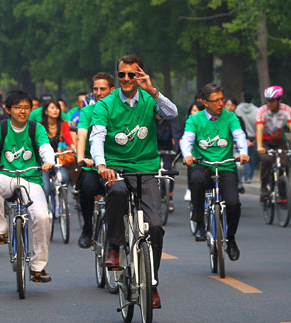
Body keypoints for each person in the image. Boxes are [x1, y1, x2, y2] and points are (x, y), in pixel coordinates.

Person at [90, 54, 177, 308]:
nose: (127, 79)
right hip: (115, 168)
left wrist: (153, 90)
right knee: (116, 192)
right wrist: (101, 164)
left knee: (156, 226)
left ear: (140, 76)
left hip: (146, 168)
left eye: (132, 74)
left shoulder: (150, 99)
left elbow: (172, 114)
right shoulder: (105, 105)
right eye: (122, 74)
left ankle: (152, 285)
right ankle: (114, 247)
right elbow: (97, 136)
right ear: (117, 77)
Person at [0, 90, 55, 283]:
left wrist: (48, 161)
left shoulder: (36, 128)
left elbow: (45, 147)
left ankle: (38, 266)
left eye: (26, 107)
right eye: (18, 107)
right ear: (8, 109)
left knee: (43, 217)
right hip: (5, 176)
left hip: (31, 179)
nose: (23, 111)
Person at [181, 83, 249, 259]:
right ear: (204, 102)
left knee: (233, 203)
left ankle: (231, 238)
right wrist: (188, 155)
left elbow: (239, 135)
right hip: (203, 164)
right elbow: (187, 139)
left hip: (226, 166)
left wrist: (243, 152)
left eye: (222, 99)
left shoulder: (230, 117)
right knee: (195, 181)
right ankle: (199, 224)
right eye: (216, 100)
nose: (220, 103)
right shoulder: (194, 120)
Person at [76, 72, 115, 248]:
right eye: (95, 89)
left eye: (103, 89)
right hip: (93, 166)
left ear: (112, 90)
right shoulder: (87, 111)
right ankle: (88, 228)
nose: (98, 92)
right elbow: (82, 135)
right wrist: (81, 157)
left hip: (117, 166)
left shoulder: (119, 109)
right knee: (86, 187)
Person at [256, 85, 291, 200]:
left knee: (284, 163)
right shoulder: (262, 110)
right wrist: (259, 146)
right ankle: (264, 187)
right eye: (267, 100)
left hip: (279, 141)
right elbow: (259, 129)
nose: (268, 103)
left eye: (271, 101)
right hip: (264, 140)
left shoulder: (287, 110)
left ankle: (283, 194)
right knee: (267, 159)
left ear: (279, 100)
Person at [40, 100, 75, 203]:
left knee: (64, 177)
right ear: (46, 111)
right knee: (45, 188)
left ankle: (61, 203)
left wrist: (73, 147)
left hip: (59, 157)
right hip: (44, 158)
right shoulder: (40, 125)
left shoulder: (63, 124)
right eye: (52, 108)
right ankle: (46, 208)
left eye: (57, 108)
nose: (55, 110)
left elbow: (68, 138)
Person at [156, 113, 182, 212]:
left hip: (168, 149)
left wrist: (179, 149)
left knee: (169, 169)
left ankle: (169, 196)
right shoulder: (150, 116)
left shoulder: (170, 118)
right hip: (153, 148)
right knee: (153, 171)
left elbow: (176, 132)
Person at [183, 101, 205, 202]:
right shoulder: (189, 122)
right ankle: (190, 188)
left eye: (198, 110)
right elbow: (186, 138)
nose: (195, 113)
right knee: (191, 165)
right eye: (194, 110)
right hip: (191, 151)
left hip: (205, 152)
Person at [236, 92, 258, 182]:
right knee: (251, 156)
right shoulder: (257, 110)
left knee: (244, 155)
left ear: (243, 98)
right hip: (253, 136)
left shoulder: (238, 109)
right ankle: (249, 176)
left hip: (242, 135)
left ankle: (246, 175)